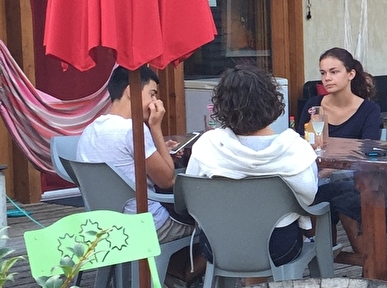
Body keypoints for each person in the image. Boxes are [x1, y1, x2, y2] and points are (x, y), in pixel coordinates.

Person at [186, 66, 319, 266]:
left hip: (218, 246)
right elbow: (309, 196)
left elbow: (192, 197)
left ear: (221, 105)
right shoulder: (297, 148)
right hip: (279, 248)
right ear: (272, 101)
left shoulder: (207, 145)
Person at [76, 65, 193, 244]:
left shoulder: (89, 131)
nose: (156, 102)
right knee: (208, 223)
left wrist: (161, 152)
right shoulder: (133, 130)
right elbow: (167, 180)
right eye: (152, 94)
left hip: (103, 225)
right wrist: (155, 127)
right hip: (147, 224)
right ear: (132, 91)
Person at [296, 47, 382, 141]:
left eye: (334, 72)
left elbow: (370, 146)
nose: (327, 78)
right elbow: (300, 143)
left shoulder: (369, 109)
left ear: (351, 74)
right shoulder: (313, 105)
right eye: (323, 73)